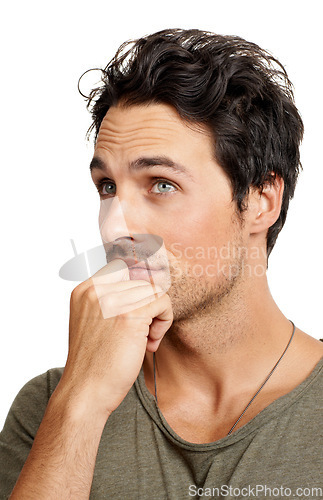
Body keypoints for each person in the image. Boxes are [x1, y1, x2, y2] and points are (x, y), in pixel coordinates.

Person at [0, 28, 322, 500]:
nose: (114, 228)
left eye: (161, 184)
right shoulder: (52, 406)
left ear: (260, 201)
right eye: (107, 186)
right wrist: (80, 404)